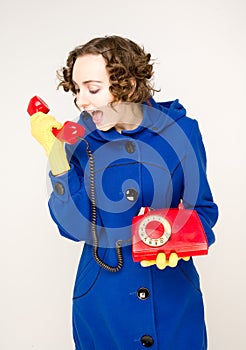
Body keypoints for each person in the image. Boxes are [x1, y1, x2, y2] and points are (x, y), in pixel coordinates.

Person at [30, 35, 218, 349]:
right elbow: (70, 227)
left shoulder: (181, 131)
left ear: (127, 85)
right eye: (77, 90)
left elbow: (204, 210)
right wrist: (56, 155)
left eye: (92, 89)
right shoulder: (77, 139)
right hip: (104, 297)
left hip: (172, 293)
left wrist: (179, 241)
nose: (81, 101)